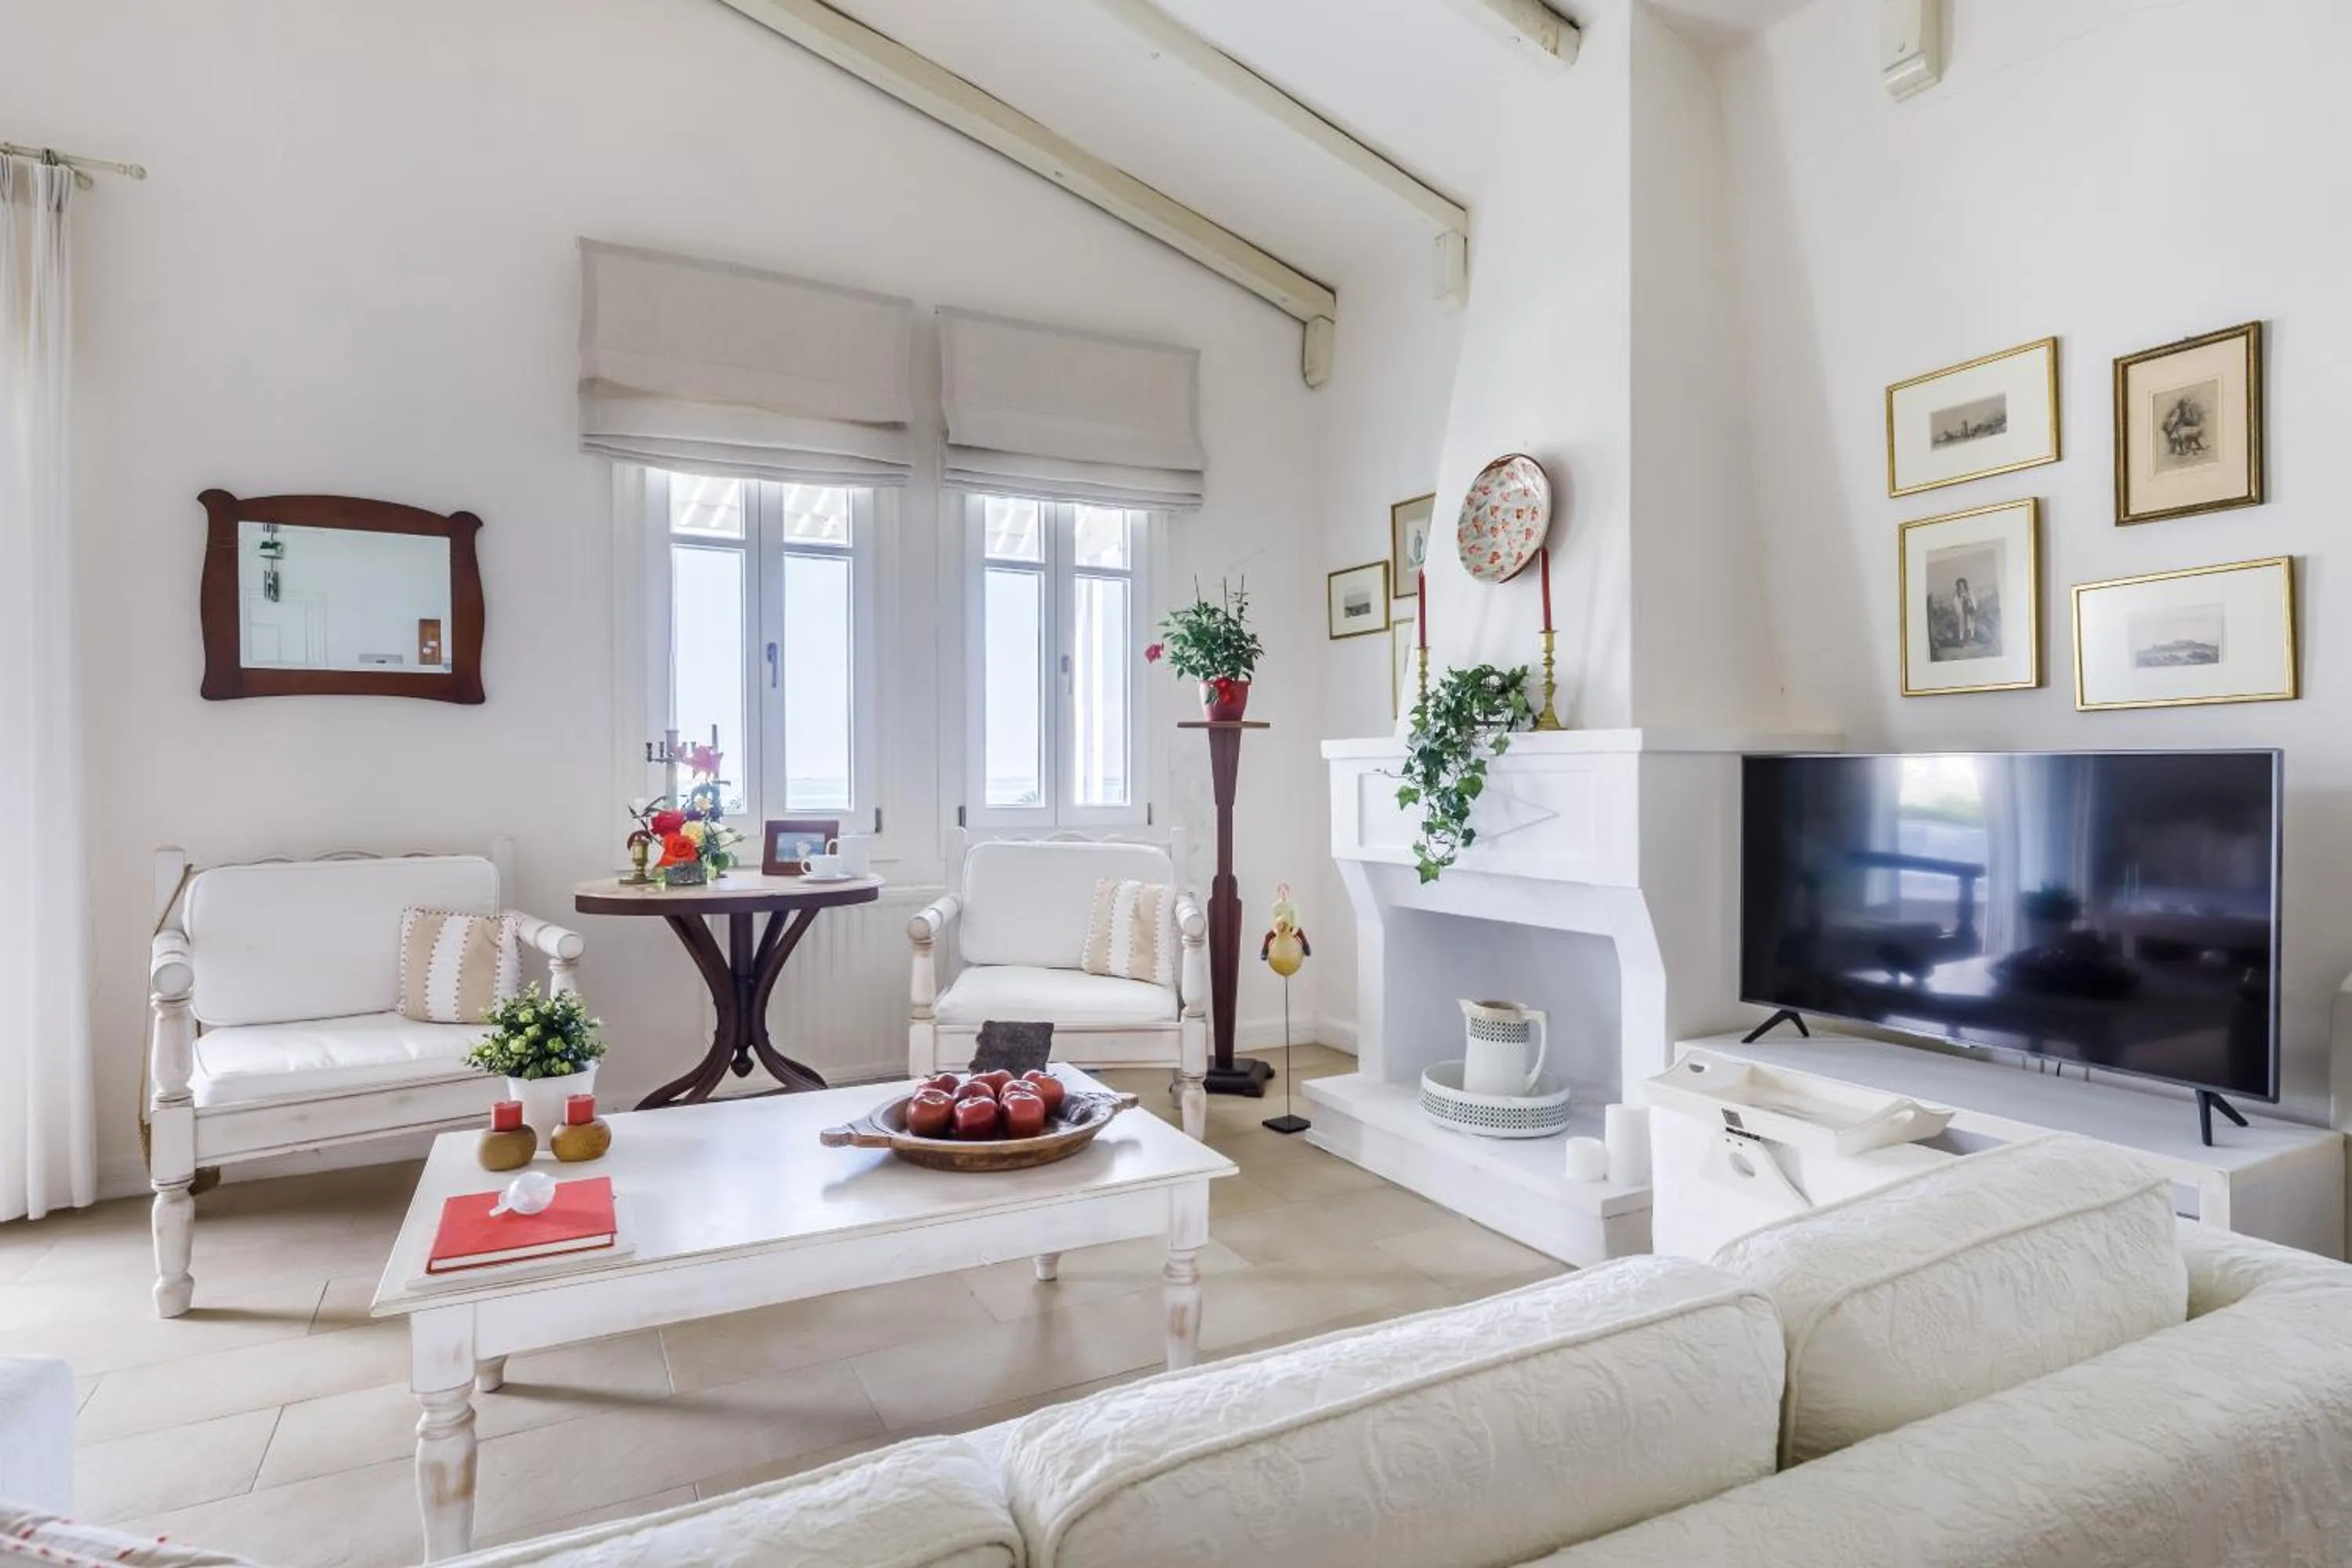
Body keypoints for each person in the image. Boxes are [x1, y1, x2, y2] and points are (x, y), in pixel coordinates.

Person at [1953, 576, 1978, 646]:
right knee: (1962, 624)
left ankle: (1971, 638)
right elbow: (1955, 602)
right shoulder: (1957, 593)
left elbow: (1973, 599)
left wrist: (1969, 599)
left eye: (1963, 584)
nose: (1962, 586)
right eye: (1960, 585)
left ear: (1965, 584)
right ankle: (1962, 639)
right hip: (1962, 610)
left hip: (1969, 609)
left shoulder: (1969, 591)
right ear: (1958, 586)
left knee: (1970, 624)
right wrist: (1961, 600)